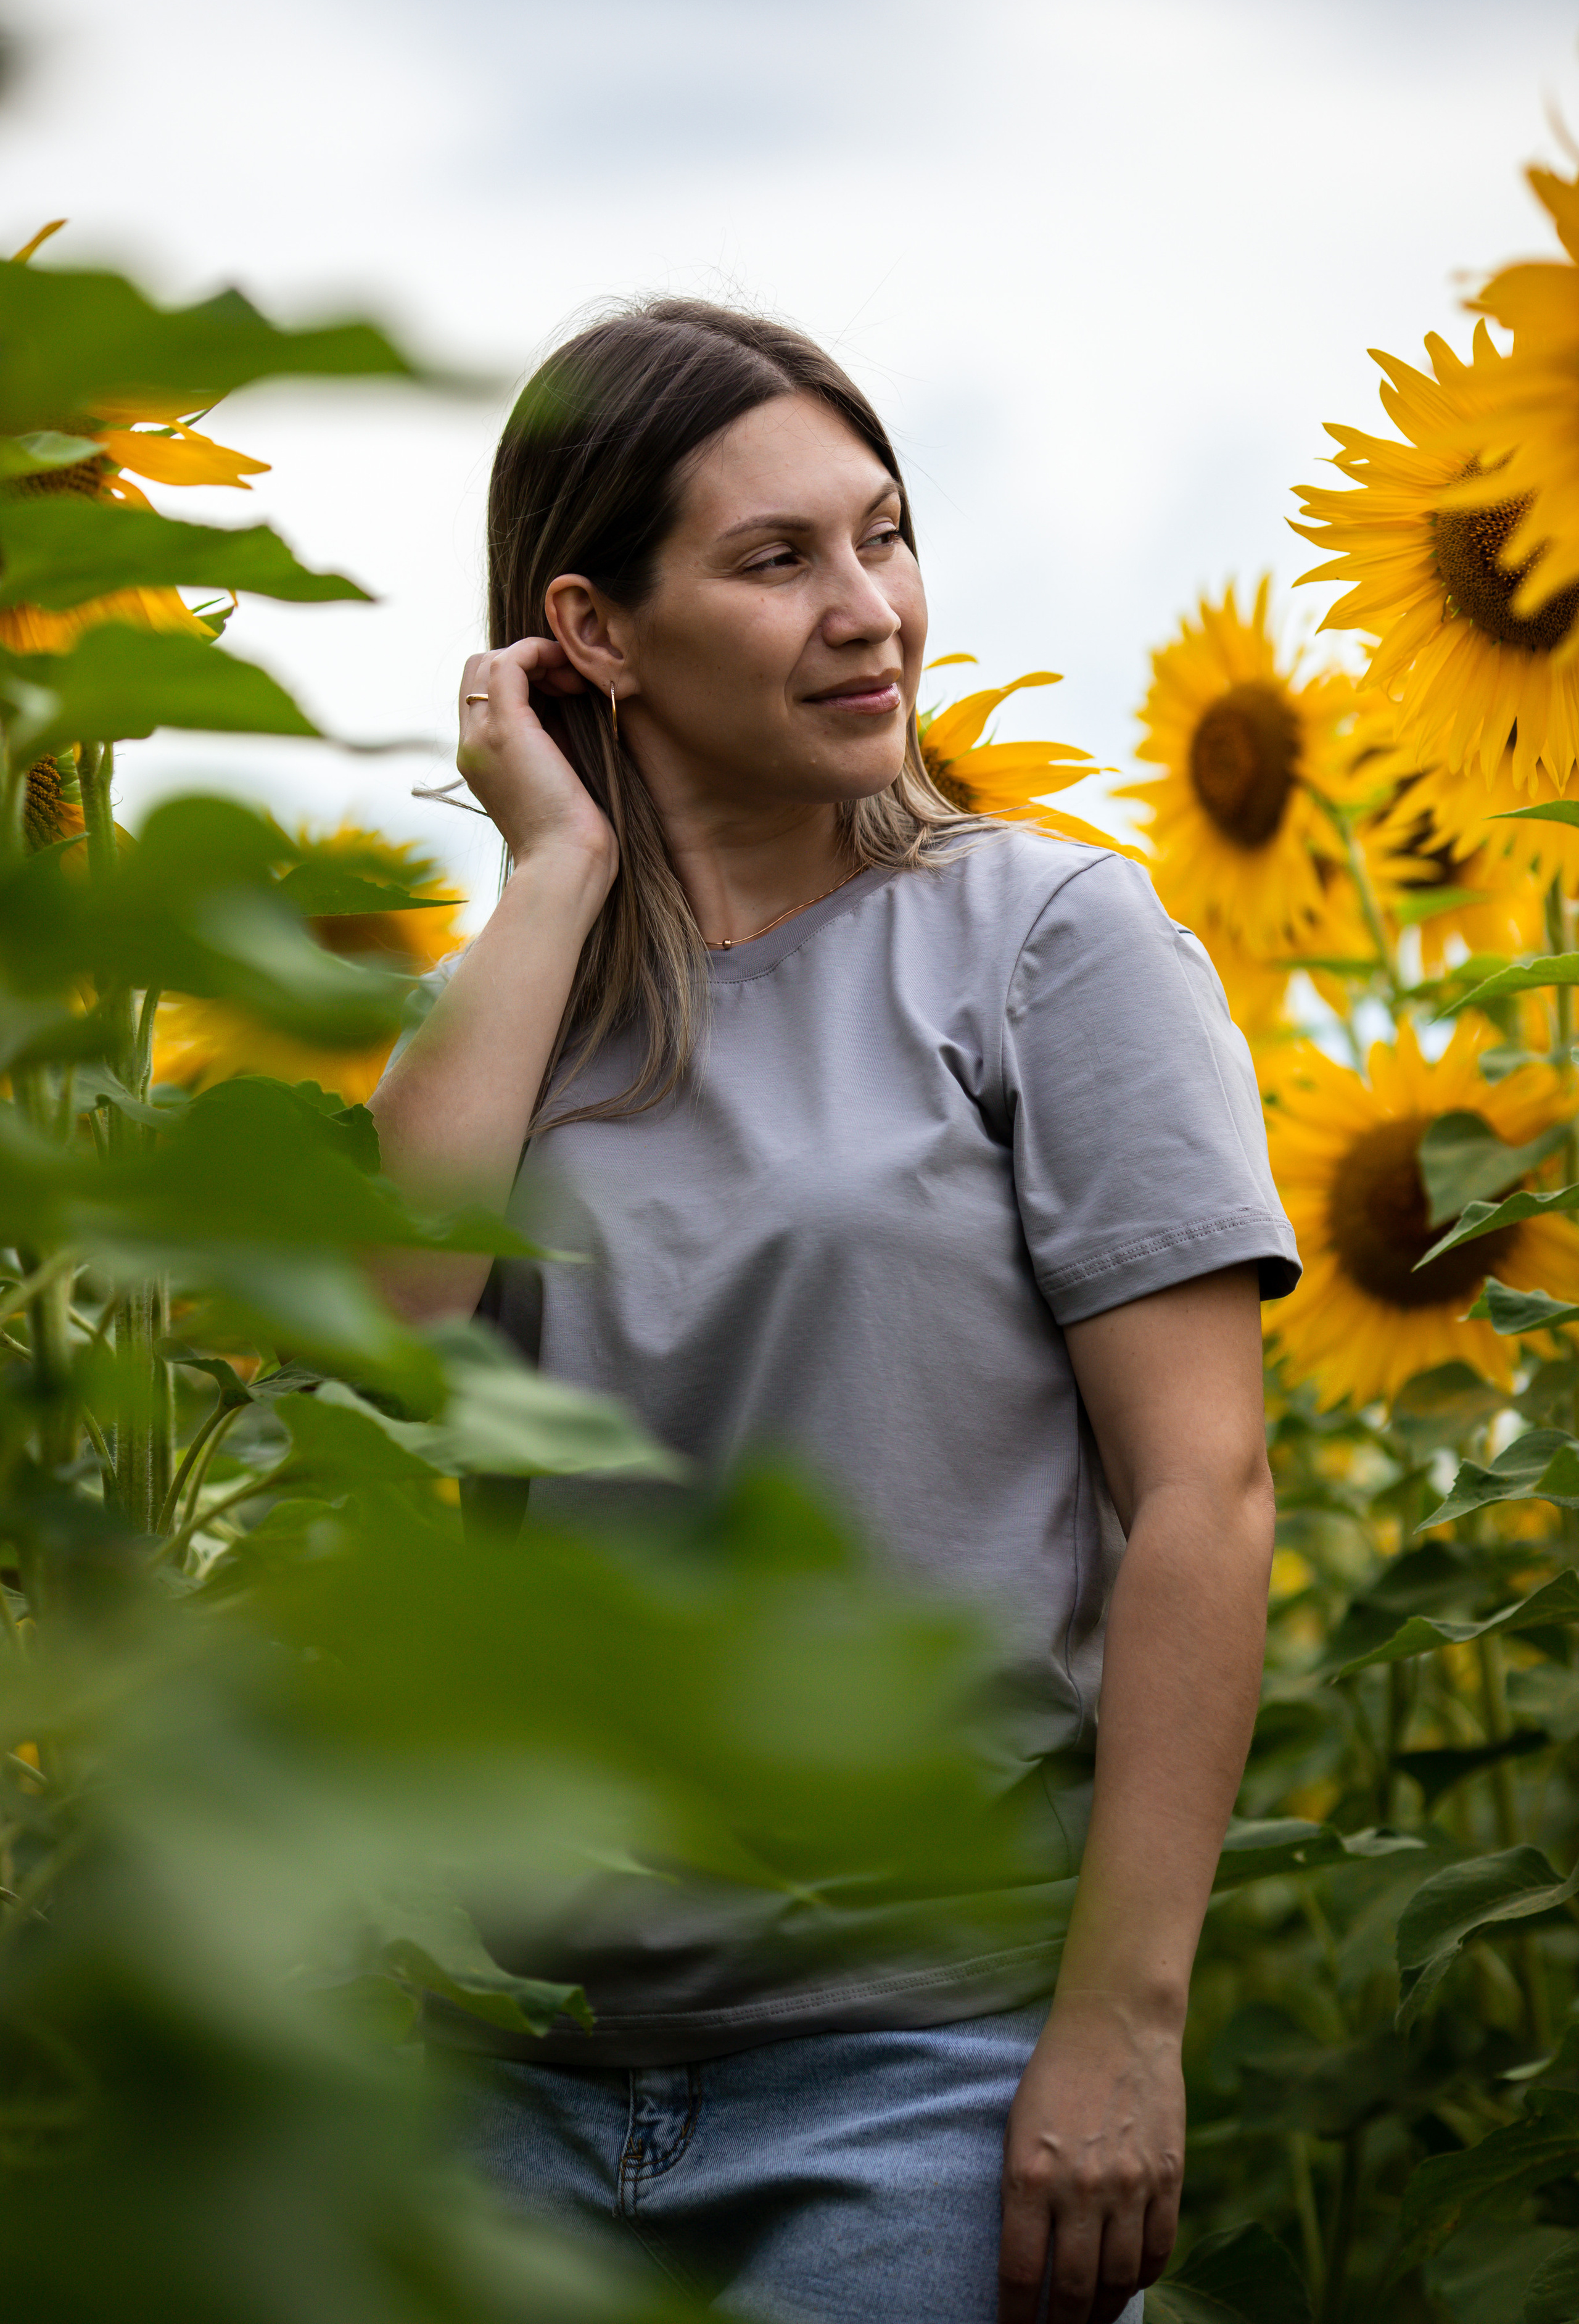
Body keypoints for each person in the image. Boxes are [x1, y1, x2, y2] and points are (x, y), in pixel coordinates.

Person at [371, 298, 1298, 2324]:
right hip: (499, 2073)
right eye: (778, 560)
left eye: (882, 535)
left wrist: (1125, 2030)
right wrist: (548, 874)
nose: (870, 608)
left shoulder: (1045, 945)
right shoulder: (532, 1008)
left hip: (920, 2067)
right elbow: (376, 1327)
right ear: (593, 632)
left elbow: (1203, 1499)